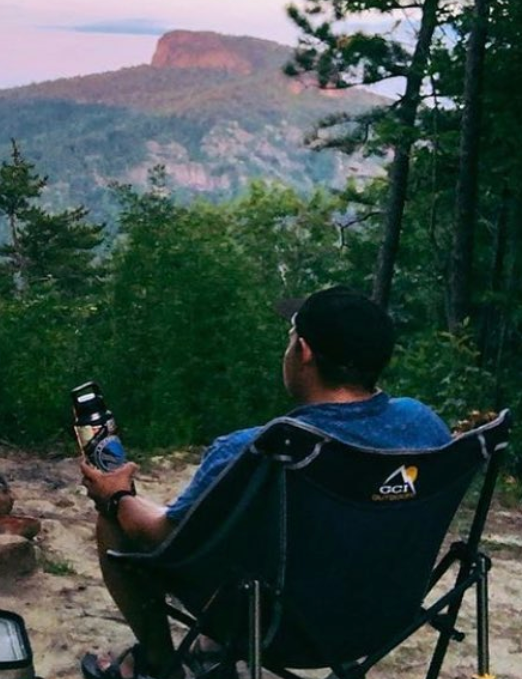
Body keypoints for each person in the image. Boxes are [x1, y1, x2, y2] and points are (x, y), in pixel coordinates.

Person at [78, 286, 452, 679]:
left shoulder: (261, 448)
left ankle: (159, 664)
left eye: (290, 338)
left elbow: (165, 539)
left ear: (303, 352)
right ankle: (211, 650)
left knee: (114, 522)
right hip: (383, 618)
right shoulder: (423, 425)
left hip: (278, 630)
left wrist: (116, 494)